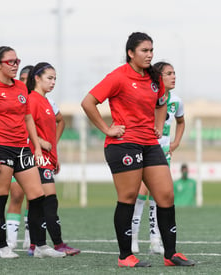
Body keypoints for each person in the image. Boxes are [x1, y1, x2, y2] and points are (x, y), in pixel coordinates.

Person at [81, 32, 195, 267]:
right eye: (144, 50)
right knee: (129, 197)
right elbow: (88, 102)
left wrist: (158, 125)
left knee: (165, 195)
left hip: (150, 144)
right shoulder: (118, 76)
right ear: (131, 53)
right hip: (124, 144)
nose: (149, 55)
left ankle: (170, 254)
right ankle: (125, 257)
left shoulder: (154, 77)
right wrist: (106, 128)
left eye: (151, 50)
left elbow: (162, 101)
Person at [0, 46, 66, 259]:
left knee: (37, 196)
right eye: (10, 62)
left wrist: (35, 147)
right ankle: (3, 247)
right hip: (0, 147)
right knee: (1, 198)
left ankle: (40, 246)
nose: (15, 65)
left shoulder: (21, 88)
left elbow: (27, 120)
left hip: (22, 148)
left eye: (17, 61)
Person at [25, 62, 80, 256]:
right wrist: (39, 143)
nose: (53, 82)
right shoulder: (32, 99)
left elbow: (57, 125)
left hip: (46, 158)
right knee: (48, 200)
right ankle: (55, 244)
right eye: (49, 77)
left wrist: (53, 153)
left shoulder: (47, 102)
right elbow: (24, 125)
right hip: (35, 157)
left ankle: (36, 245)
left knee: (41, 201)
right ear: (37, 78)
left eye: (55, 78)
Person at [132, 61, 185, 254]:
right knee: (139, 194)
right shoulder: (148, 96)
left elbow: (181, 122)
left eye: (174, 73)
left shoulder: (176, 101)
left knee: (159, 196)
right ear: (159, 78)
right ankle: (133, 238)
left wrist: (175, 143)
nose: (173, 76)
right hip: (145, 148)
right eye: (169, 73)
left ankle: (155, 242)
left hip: (163, 152)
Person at [6, 65, 33, 251]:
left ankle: (31, 238)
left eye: (28, 79)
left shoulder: (42, 101)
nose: (24, 82)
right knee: (16, 194)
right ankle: (10, 241)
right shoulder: (14, 99)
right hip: (16, 152)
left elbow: (59, 120)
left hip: (36, 154)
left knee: (35, 197)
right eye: (22, 78)